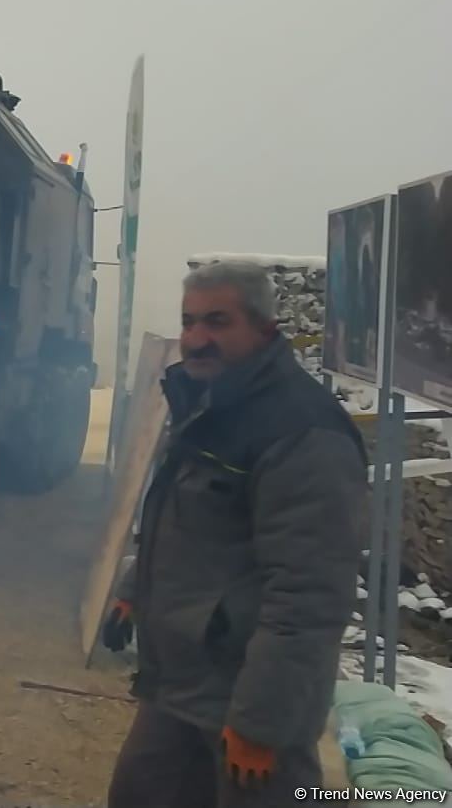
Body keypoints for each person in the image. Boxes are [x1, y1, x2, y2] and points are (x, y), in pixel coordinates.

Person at [104, 260, 367, 807]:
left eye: (218, 322)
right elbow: (182, 524)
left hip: (245, 695)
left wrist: (261, 724)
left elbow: (309, 594)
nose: (197, 339)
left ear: (264, 328)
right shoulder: (211, 404)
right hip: (182, 684)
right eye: (189, 321)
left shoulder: (302, 433)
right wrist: (134, 591)